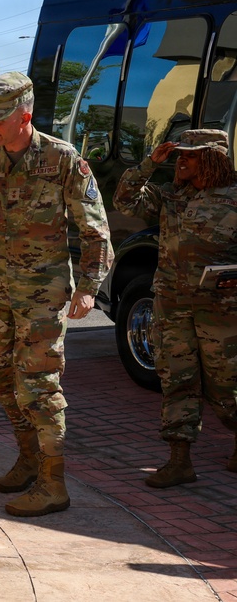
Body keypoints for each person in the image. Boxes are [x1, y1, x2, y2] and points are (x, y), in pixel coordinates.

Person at [0, 72, 113, 517]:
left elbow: (95, 229)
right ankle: (28, 457)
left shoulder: (62, 159)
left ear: (26, 115)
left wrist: (89, 287)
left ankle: (53, 482)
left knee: (38, 384)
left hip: (43, 291)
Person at [113, 129, 237, 487]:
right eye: (179, 154)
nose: (181, 160)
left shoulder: (233, 198)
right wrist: (148, 165)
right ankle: (179, 460)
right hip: (172, 306)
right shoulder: (169, 196)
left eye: (190, 155)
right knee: (176, 381)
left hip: (222, 312)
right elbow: (125, 200)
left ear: (213, 158)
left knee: (225, 386)